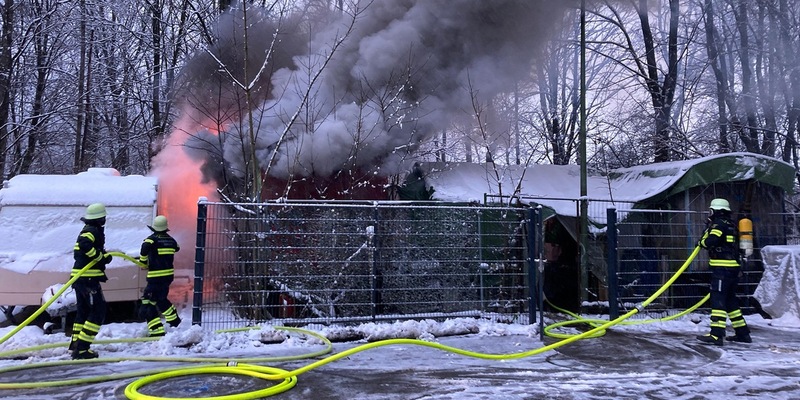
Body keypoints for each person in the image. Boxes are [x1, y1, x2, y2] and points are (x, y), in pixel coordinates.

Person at [696, 198, 752, 346]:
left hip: (722, 269)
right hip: (733, 268)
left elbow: (710, 242)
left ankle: (716, 335)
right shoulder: (732, 224)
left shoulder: (718, 224)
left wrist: (701, 242)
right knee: (730, 302)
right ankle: (743, 334)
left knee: (718, 301)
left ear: (715, 211)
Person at [69, 203, 112, 359]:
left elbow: (91, 248)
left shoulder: (90, 230)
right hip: (87, 279)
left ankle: (76, 344)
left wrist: (103, 255)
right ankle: (82, 349)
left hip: (81, 278)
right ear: (100, 218)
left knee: (84, 311)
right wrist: (101, 257)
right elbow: (85, 244)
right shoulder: (91, 230)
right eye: (104, 217)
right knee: (98, 312)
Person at [138, 215, 181, 336]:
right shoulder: (171, 240)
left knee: (148, 301)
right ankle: (174, 321)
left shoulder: (151, 240)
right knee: (161, 299)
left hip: (155, 277)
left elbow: (144, 248)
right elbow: (177, 248)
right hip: (167, 277)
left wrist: (143, 262)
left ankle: (156, 330)